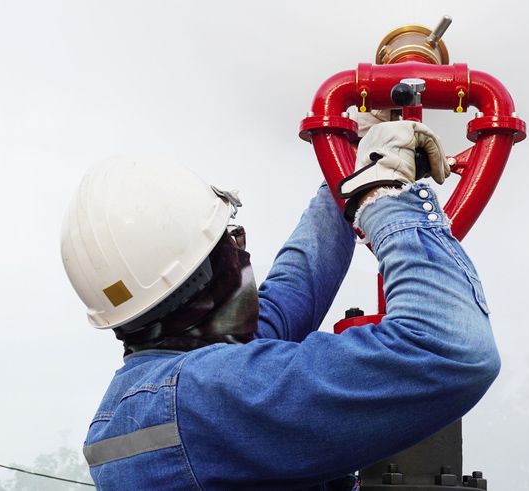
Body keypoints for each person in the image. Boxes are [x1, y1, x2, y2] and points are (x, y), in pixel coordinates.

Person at [60, 121, 500, 490]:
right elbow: (447, 347)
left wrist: (355, 173)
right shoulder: (205, 398)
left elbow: (292, 289)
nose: (242, 251)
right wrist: (388, 199)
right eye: (230, 241)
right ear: (200, 281)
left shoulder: (140, 401)